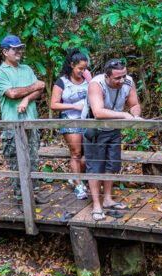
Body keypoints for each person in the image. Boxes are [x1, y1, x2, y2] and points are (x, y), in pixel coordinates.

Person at [83, 58, 142, 222]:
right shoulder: (96, 84)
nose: (122, 80)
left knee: (111, 164)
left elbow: (134, 104)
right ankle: (96, 205)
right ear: (107, 76)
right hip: (95, 129)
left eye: (124, 76)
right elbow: (98, 112)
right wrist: (124, 115)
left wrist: (135, 115)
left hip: (114, 128)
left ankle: (107, 199)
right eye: (117, 78)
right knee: (95, 167)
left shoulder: (128, 82)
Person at [0, 34, 47, 203]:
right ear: (5, 52)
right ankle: (21, 197)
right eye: (15, 49)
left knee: (33, 158)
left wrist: (26, 99)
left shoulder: (27, 69)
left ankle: (34, 193)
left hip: (31, 122)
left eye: (20, 48)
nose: (19, 52)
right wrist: (32, 87)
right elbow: (12, 93)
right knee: (17, 161)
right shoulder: (0, 73)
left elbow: (40, 89)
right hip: (12, 124)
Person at [50, 48, 91, 201]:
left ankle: (75, 176)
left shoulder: (88, 79)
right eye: (80, 68)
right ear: (72, 65)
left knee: (89, 155)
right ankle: (79, 185)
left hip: (87, 120)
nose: (82, 71)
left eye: (85, 68)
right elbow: (53, 104)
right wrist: (74, 106)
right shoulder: (62, 82)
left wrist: (89, 78)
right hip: (69, 119)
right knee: (76, 153)